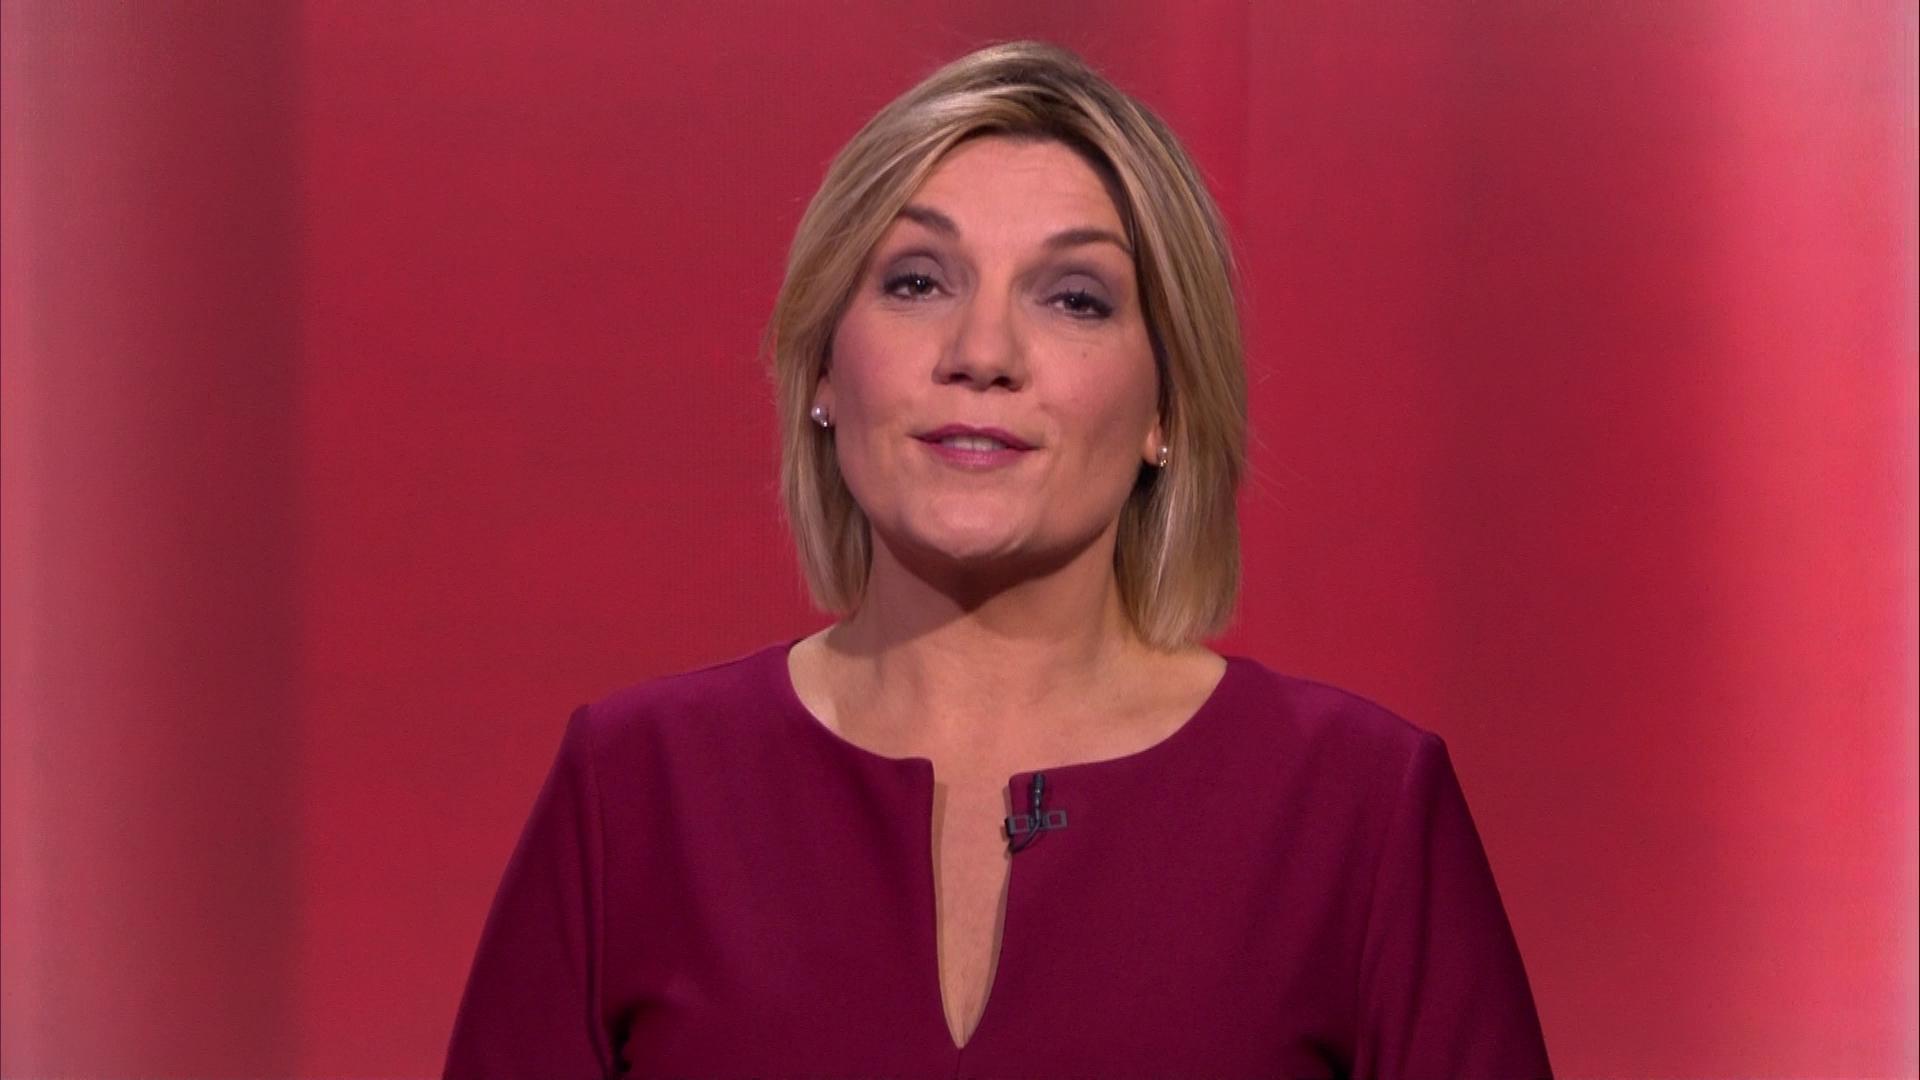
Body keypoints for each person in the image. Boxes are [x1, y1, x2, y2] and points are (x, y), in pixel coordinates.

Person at [443, 39, 1551, 1079]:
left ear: (1167, 407)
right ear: (824, 370)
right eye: (917, 281)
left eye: (1074, 298)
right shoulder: (634, 790)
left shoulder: (1359, 810)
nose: (982, 354)